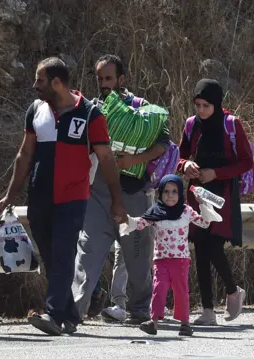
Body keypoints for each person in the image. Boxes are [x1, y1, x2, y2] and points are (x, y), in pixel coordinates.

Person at [0, 57, 127, 336]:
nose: (34, 86)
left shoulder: (90, 114)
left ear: (57, 83)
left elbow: (106, 159)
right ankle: (71, 312)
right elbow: (25, 154)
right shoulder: (35, 110)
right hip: (40, 195)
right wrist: (10, 195)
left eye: (40, 81)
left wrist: (117, 199)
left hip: (73, 196)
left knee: (64, 252)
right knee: (51, 256)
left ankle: (54, 314)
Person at [72, 54, 171, 324]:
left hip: (134, 195)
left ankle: (140, 310)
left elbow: (164, 143)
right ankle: (73, 311)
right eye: (100, 78)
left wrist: (132, 161)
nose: (104, 84)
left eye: (109, 78)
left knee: (138, 258)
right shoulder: (92, 109)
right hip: (99, 192)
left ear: (121, 79)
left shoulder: (141, 110)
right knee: (87, 252)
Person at [176, 79, 252, 325]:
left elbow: (246, 161)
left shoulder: (231, 124)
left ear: (217, 104)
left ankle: (232, 291)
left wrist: (216, 173)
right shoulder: (191, 125)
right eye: (197, 104)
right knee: (200, 247)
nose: (201, 110)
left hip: (222, 194)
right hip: (196, 193)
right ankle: (208, 310)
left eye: (206, 105)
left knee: (214, 245)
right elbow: (180, 155)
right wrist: (186, 165)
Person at [123, 175, 215, 336]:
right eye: (166, 191)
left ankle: (185, 324)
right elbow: (140, 223)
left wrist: (203, 205)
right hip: (161, 260)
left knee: (181, 292)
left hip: (180, 261)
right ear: (160, 193)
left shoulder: (186, 211)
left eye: (174, 191)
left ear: (180, 194)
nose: (170, 195)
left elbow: (204, 223)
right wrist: (125, 219)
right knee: (158, 289)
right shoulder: (156, 212)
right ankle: (154, 322)